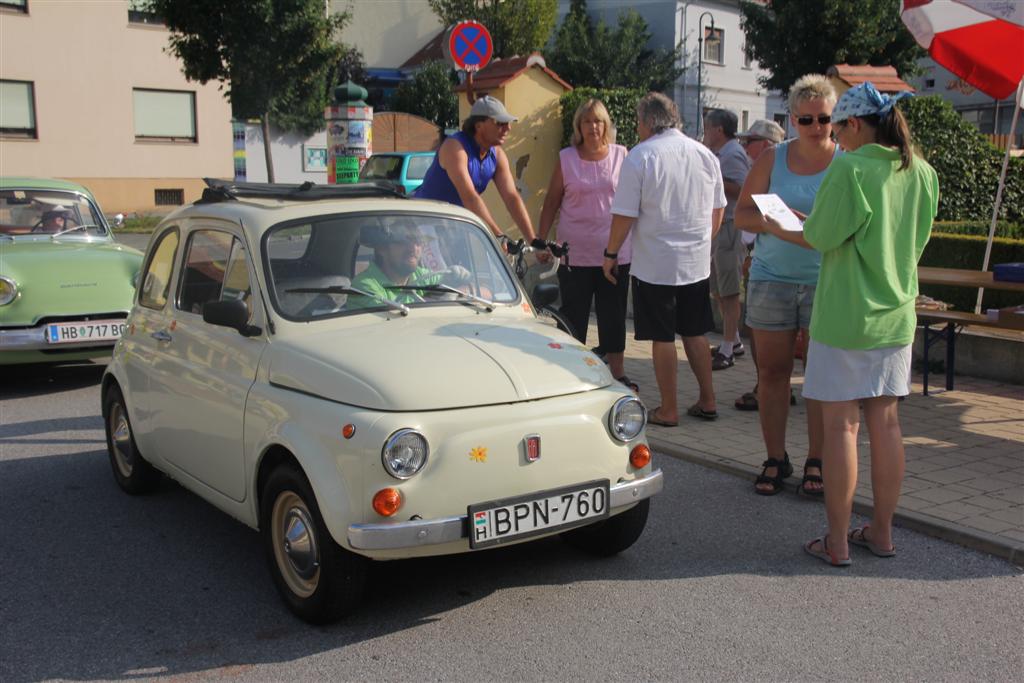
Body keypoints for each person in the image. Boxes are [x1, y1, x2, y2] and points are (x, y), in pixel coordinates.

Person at [758, 82, 938, 565]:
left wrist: (783, 225)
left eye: (837, 127)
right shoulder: (919, 171)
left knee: (842, 427)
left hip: (845, 316)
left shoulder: (851, 168)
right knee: (886, 422)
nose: (833, 136)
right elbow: (913, 240)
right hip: (897, 315)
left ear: (854, 125)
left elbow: (820, 236)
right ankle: (881, 533)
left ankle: (837, 542)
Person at [735, 74, 840, 496]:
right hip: (772, 279)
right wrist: (776, 223)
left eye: (825, 118)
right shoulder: (771, 159)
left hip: (826, 281)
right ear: (793, 119)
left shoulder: (845, 162)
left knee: (819, 378)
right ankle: (775, 457)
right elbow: (741, 216)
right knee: (773, 374)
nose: (816, 127)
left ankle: (818, 459)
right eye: (807, 119)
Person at [603, 92, 726, 426]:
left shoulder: (640, 156)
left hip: (656, 263)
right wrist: (703, 242)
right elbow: (718, 210)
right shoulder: (705, 154)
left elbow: (624, 215)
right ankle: (708, 398)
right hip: (694, 262)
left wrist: (611, 253)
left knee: (662, 337)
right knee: (696, 332)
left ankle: (668, 409)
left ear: (646, 121)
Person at [538, 99, 634, 389]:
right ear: (578, 127)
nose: (593, 127)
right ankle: (573, 372)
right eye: (587, 122)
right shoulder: (567, 158)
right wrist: (543, 242)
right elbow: (552, 202)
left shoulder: (622, 155)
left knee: (613, 315)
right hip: (574, 253)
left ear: (606, 125)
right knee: (574, 316)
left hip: (615, 251)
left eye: (598, 121)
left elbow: (632, 201)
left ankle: (617, 374)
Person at [415, 95, 538, 243]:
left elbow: (511, 197)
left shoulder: (497, 154)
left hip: (455, 226)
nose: (508, 128)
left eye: (508, 123)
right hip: (424, 225)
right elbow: (470, 197)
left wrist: (533, 240)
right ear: (478, 125)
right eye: (500, 123)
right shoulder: (455, 147)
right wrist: (497, 236)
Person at [733, 119, 786, 411]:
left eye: (749, 140)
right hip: (761, 258)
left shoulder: (770, 172)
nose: (744, 146)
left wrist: (751, 254)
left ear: (766, 145)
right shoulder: (764, 170)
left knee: (761, 331)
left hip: (769, 263)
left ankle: (767, 386)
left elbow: (766, 220)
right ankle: (768, 384)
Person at [702, 108, 752, 371]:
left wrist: (712, 177)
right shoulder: (723, 153)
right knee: (719, 288)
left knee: (729, 291)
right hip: (721, 227)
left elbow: (744, 188)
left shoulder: (733, 154)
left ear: (718, 130)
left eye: (707, 128)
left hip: (731, 228)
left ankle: (727, 348)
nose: (705, 133)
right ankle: (732, 342)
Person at [351, 222, 470, 308]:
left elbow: (483, 289)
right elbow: (393, 321)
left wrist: (457, 292)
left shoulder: (421, 276)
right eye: (403, 241)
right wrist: (435, 302)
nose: (413, 248)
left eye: (418, 241)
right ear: (381, 249)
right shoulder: (364, 286)